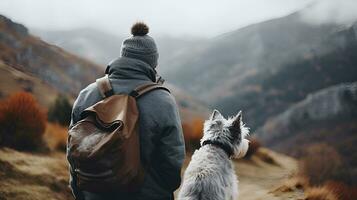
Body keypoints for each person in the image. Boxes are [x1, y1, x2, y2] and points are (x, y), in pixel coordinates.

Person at [68, 22, 186, 200]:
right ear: (152, 62)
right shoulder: (163, 101)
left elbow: (73, 153)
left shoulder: (87, 94)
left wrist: (81, 192)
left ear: (123, 56)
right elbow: (172, 160)